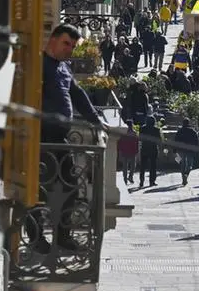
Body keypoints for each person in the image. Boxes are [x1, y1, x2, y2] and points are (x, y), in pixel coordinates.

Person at [28, 24, 104, 255]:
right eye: (65, 44)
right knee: (37, 192)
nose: (69, 50)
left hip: (60, 138)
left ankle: (62, 236)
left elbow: (78, 95)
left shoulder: (62, 68)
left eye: (72, 46)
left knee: (70, 188)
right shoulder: (38, 65)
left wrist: (96, 120)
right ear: (52, 40)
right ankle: (37, 239)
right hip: (40, 139)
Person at [174, 118, 199, 186]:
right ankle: (186, 174)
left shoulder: (179, 131)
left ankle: (183, 178)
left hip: (181, 150)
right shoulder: (192, 131)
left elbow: (175, 141)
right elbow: (196, 141)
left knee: (182, 164)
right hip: (190, 150)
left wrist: (174, 150)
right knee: (189, 165)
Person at [138, 116, 162, 188]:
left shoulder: (142, 129)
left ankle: (141, 181)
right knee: (153, 166)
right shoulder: (156, 130)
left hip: (144, 148)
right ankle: (152, 181)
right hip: (153, 149)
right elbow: (159, 140)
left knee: (142, 166)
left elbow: (140, 138)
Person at [117, 121, 139, 185]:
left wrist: (119, 149)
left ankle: (125, 178)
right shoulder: (134, 133)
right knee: (133, 165)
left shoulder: (123, 133)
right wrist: (137, 150)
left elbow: (120, 142)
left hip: (124, 151)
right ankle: (130, 177)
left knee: (125, 166)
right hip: (132, 151)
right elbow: (136, 143)